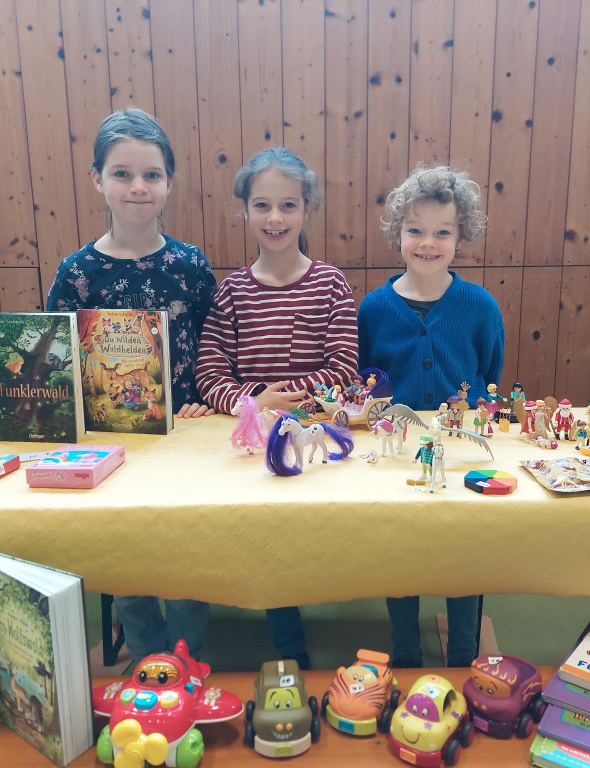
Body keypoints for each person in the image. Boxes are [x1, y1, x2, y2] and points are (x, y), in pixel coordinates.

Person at [45, 108, 217, 663]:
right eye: (122, 173)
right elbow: (58, 364)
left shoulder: (190, 265)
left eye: (151, 174)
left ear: (170, 183)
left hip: (186, 436)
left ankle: (186, 660)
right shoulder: (76, 273)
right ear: (98, 179)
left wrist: (204, 400)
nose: (138, 186)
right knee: (125, 554)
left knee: (187, 553)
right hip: (110, 442)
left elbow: (215, 347)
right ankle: (145, 660)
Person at [196, 148, 358, 668]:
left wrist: (284, 396)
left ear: (307, 209)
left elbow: (343, 367)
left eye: (288, 205)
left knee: (318, 540)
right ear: (245, 210)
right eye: (262, 205)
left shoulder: (330, 283)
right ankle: (289, 644)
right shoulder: (232, 291)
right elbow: (208, 373)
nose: (275, 218)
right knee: (266, 540)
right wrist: (252, 402)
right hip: (253, 446)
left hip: (317, 441)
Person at [358, 165, 504, 669]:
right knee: (400, 550)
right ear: (397, 234)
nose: (427, 243)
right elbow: (369, 378)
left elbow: (489, 373)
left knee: (464, 551)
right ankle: (404, 651)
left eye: (443, 232)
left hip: (461, 452)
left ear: (461, 238)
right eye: (415, 230)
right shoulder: (374, 308)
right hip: (397, 453)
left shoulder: (480, 306)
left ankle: (463, 654)